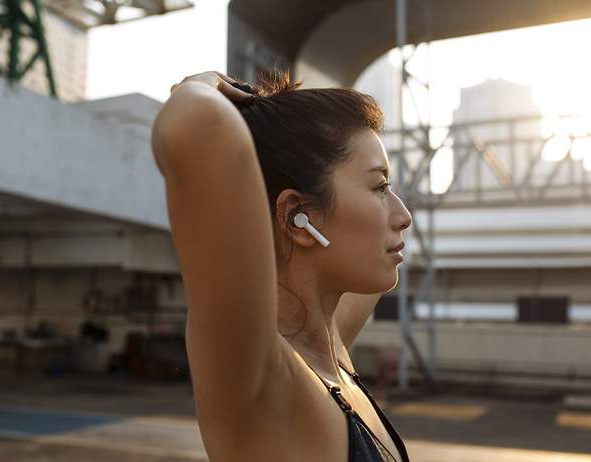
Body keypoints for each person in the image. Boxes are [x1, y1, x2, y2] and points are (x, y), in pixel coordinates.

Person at [151, 69, 413, 462]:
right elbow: (196, 123)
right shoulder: (263, 380)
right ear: (296, 217)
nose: (404, 215)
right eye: (379, 187)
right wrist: (200, 86)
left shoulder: (329, 343)